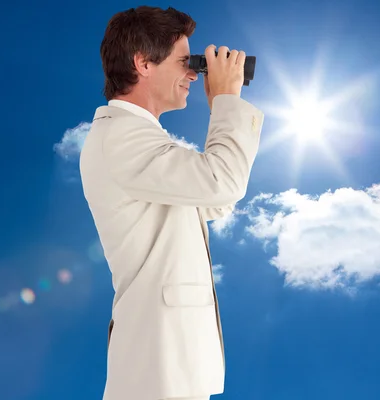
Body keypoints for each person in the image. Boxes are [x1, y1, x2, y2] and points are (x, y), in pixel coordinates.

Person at [79, 5, 264, 400]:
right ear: (143, 63)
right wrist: (228, 102)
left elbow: (213, 202)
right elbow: (221, 184)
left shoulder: (140, 140)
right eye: (186, 62)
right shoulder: (124, 137)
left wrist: (223, 111)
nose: (195, 75)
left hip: (167, 363)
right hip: (157, 363)